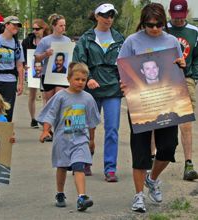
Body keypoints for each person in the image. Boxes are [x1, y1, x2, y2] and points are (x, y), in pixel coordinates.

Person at [118, 3, 186, 213]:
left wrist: (182, 64)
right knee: (140, 149)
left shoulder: (171, 40)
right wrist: (123, 82)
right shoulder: (132, 41)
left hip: (167, 99)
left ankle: (152, 178)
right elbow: (121, 66)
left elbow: (178, 66)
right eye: (150, 25)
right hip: (140, 101)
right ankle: (138, 196)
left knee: (168, 147)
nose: (155, 29)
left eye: (158, 25)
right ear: (143, 22)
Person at [38, 62, 100, 211]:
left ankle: (82, 197)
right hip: (62, 139)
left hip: (80, 139)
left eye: (83, 80)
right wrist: (46, 130)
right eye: (77, 79)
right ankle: (60, 193)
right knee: (62, 166)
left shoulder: (88, 99)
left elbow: (92, 122)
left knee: (79, 166)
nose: (80, 82)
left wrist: (91, 140)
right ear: (68, 79)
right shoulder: (61, 96)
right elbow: (50, 114)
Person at [73, 3, 124, 180]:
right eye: (105, 15)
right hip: (90, 90)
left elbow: (125, 63)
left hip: (113, 90)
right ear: (96, 16)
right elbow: (78, 64)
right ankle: (85, 161)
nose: (108, 18)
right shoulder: (86, 39)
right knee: (86, 127)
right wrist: (88, 79)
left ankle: (110, 169)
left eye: (111, 15)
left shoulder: (120, 38)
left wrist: (123, 78)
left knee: (112, 130)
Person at [167, 0, 198, 181]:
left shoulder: (194, 32)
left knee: (186, 122)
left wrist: (193, 76)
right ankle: (152, 158)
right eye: (175, 16)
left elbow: (196, 57)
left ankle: (188, 163)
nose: (178, 20)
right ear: (170, 13)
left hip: (186, 78)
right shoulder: (162, 28)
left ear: (186, 13)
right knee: (159, 120)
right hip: (164, 79)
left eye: (181, 16)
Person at [34, 14, 71, 103]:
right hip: (48, 75)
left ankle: (59, 117)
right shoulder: (45, 40)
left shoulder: (68, 40)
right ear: (54, 26)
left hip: (62, 75)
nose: (63, 28)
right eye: (61, 25)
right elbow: (37, 58)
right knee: (49, 102)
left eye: (64, 25)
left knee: (59, 100)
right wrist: (45, 54)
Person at [22, 19, 50, 128]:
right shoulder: (27, 41)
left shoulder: (48, 40)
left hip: (45, 70)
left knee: (45, 95)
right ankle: (33, 119)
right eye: (33, 29)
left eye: (37, 29)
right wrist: (24, 64)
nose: (35, 31)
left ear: (44, 29)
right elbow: (23, 55)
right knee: (32, 95)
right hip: (32, 70)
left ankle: (43, 119)